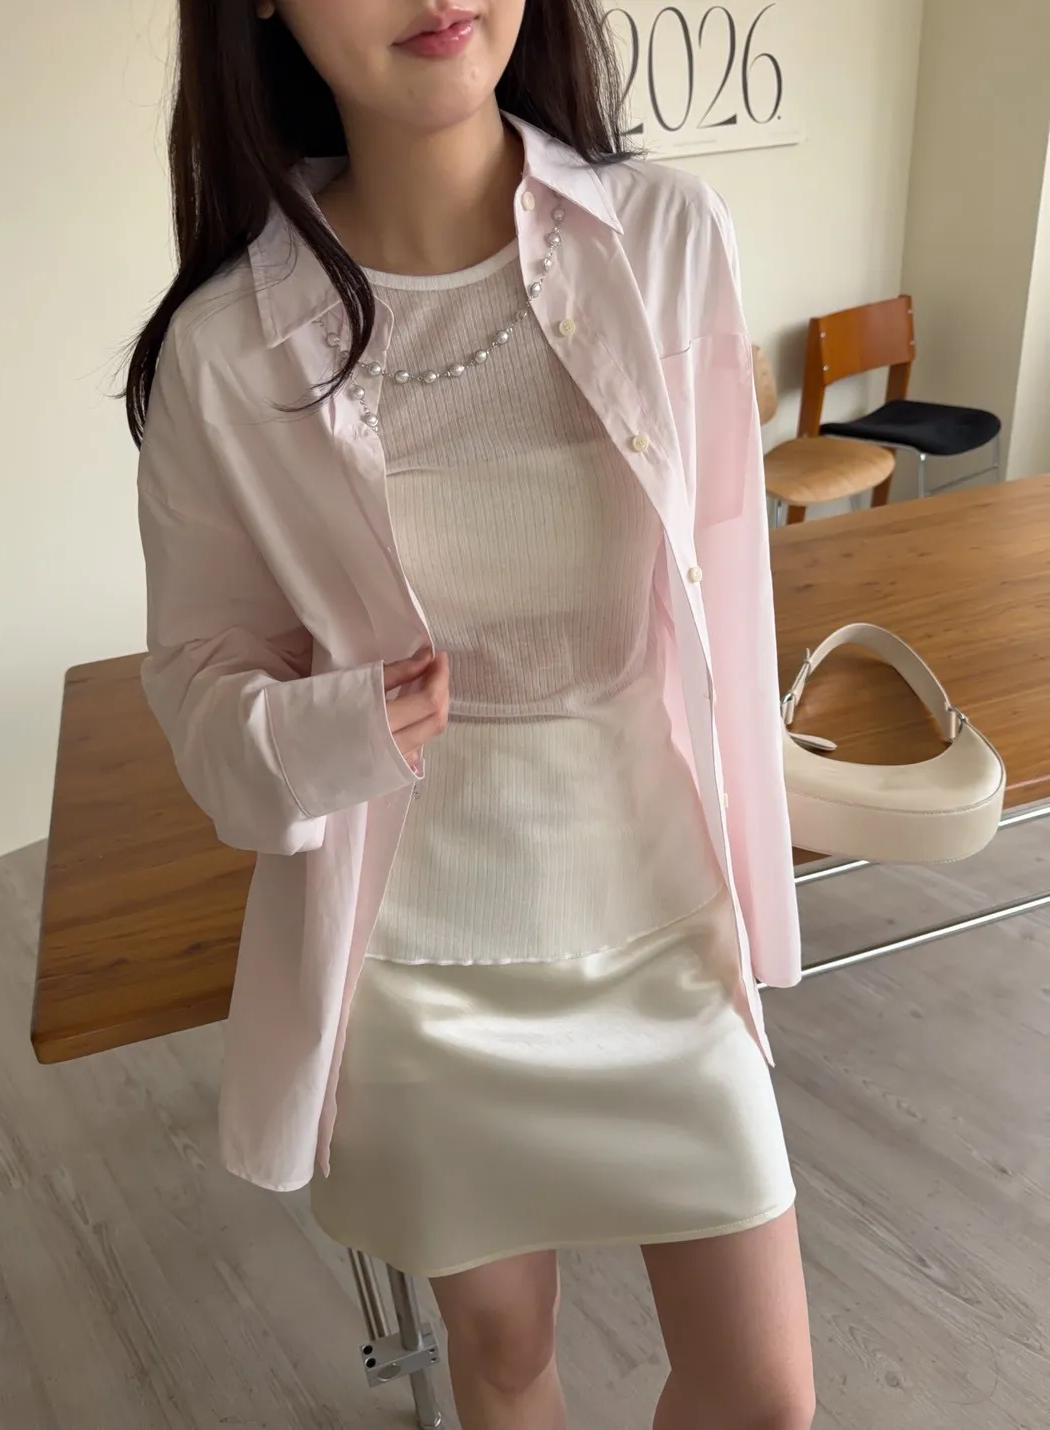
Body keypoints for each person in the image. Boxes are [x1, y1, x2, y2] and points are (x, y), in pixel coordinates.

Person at [127, 2, 815, 1427]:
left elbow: (727, 592)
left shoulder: (666, 239)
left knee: (764, 1394)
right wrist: (334, 732)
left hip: (660, 911)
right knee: (502, 1364)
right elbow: (199, 679)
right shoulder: (222, 350)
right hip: (416, 960)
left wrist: (762, 893)